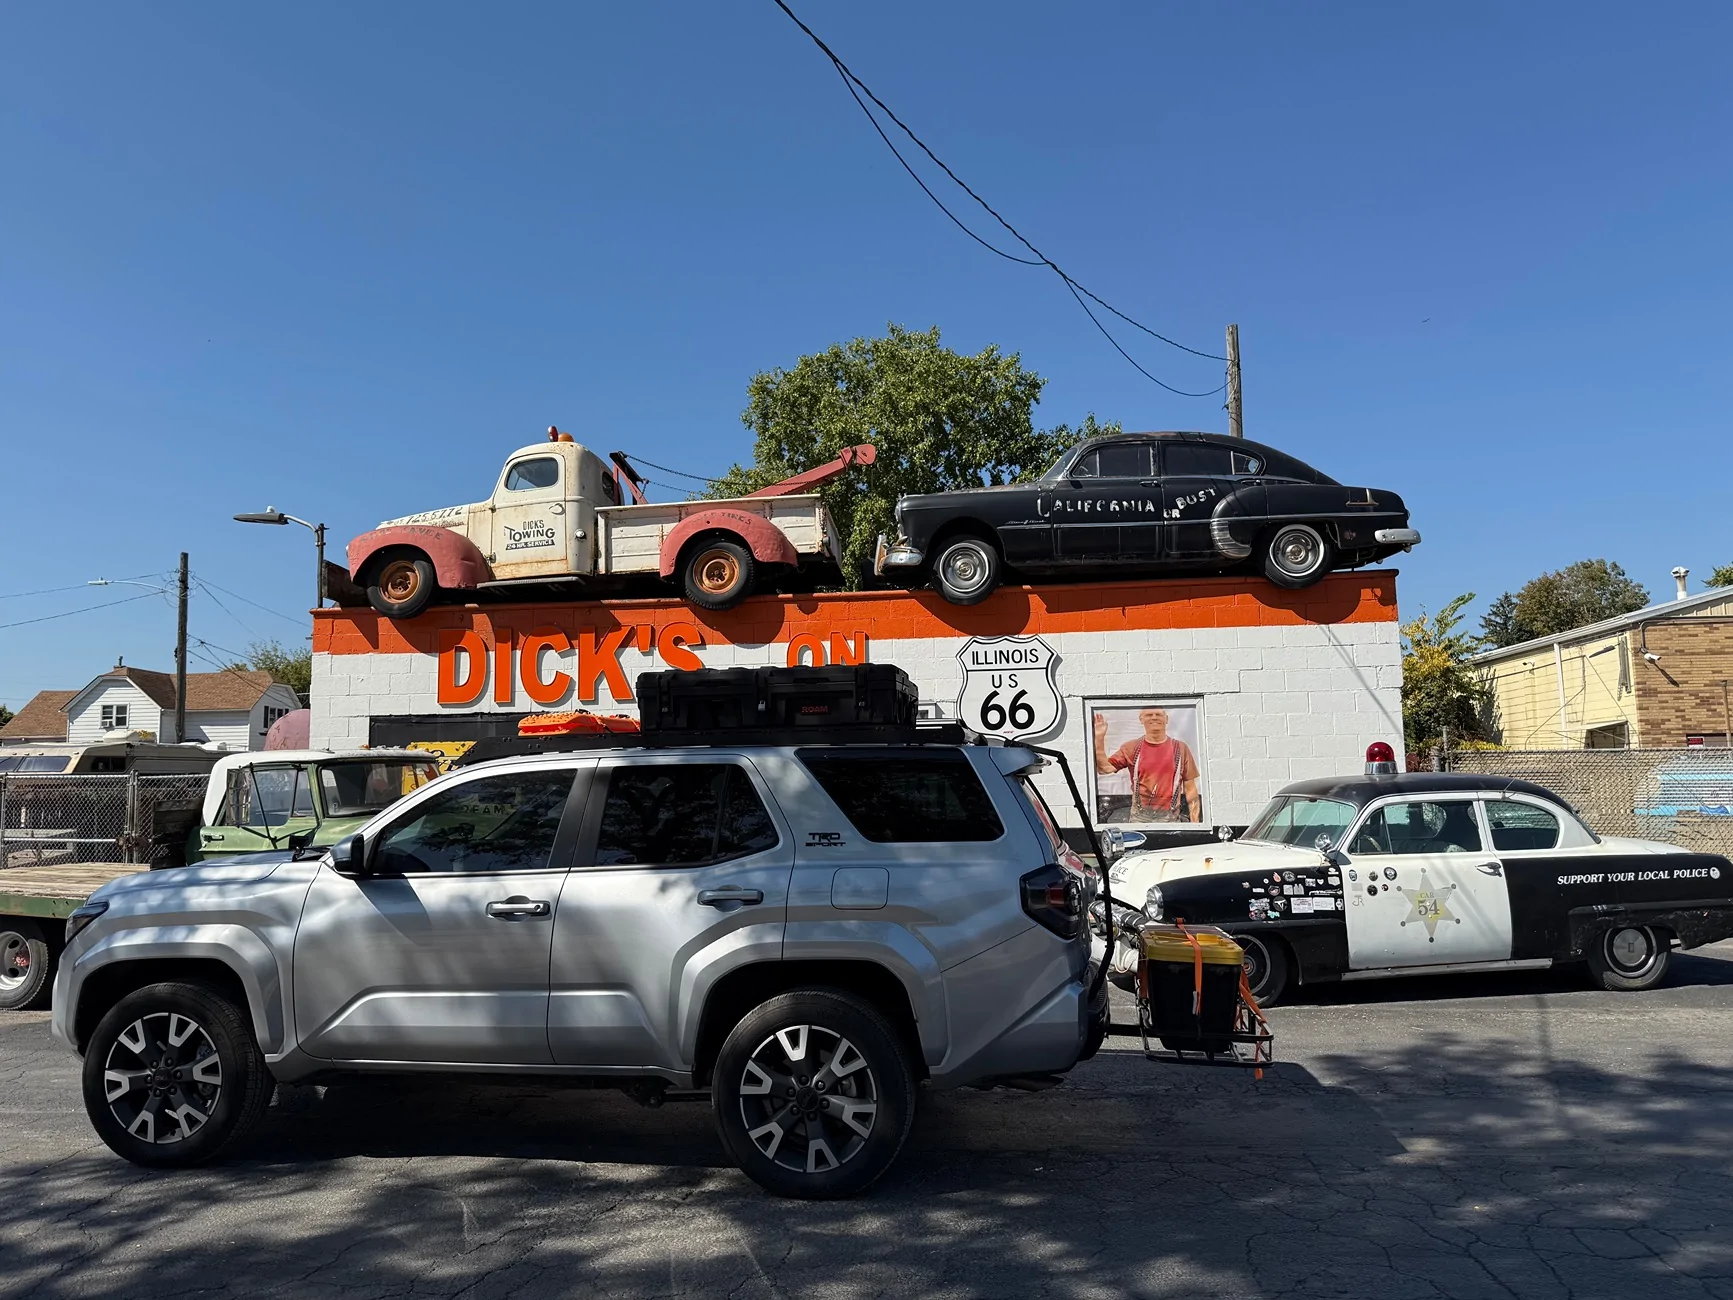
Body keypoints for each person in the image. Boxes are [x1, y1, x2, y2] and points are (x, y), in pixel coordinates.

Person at [1093, 708, 1201, 823]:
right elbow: (1104, 769)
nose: (1154, 717)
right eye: (1149, 715)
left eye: (1158, 714)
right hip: (1139, 819)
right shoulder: (1131, 747)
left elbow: (1190, 789)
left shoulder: (1181, 748)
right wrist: (1099, 738)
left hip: (1171, 818)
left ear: (1166, 719)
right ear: (1141, 719)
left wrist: (1196, 824)